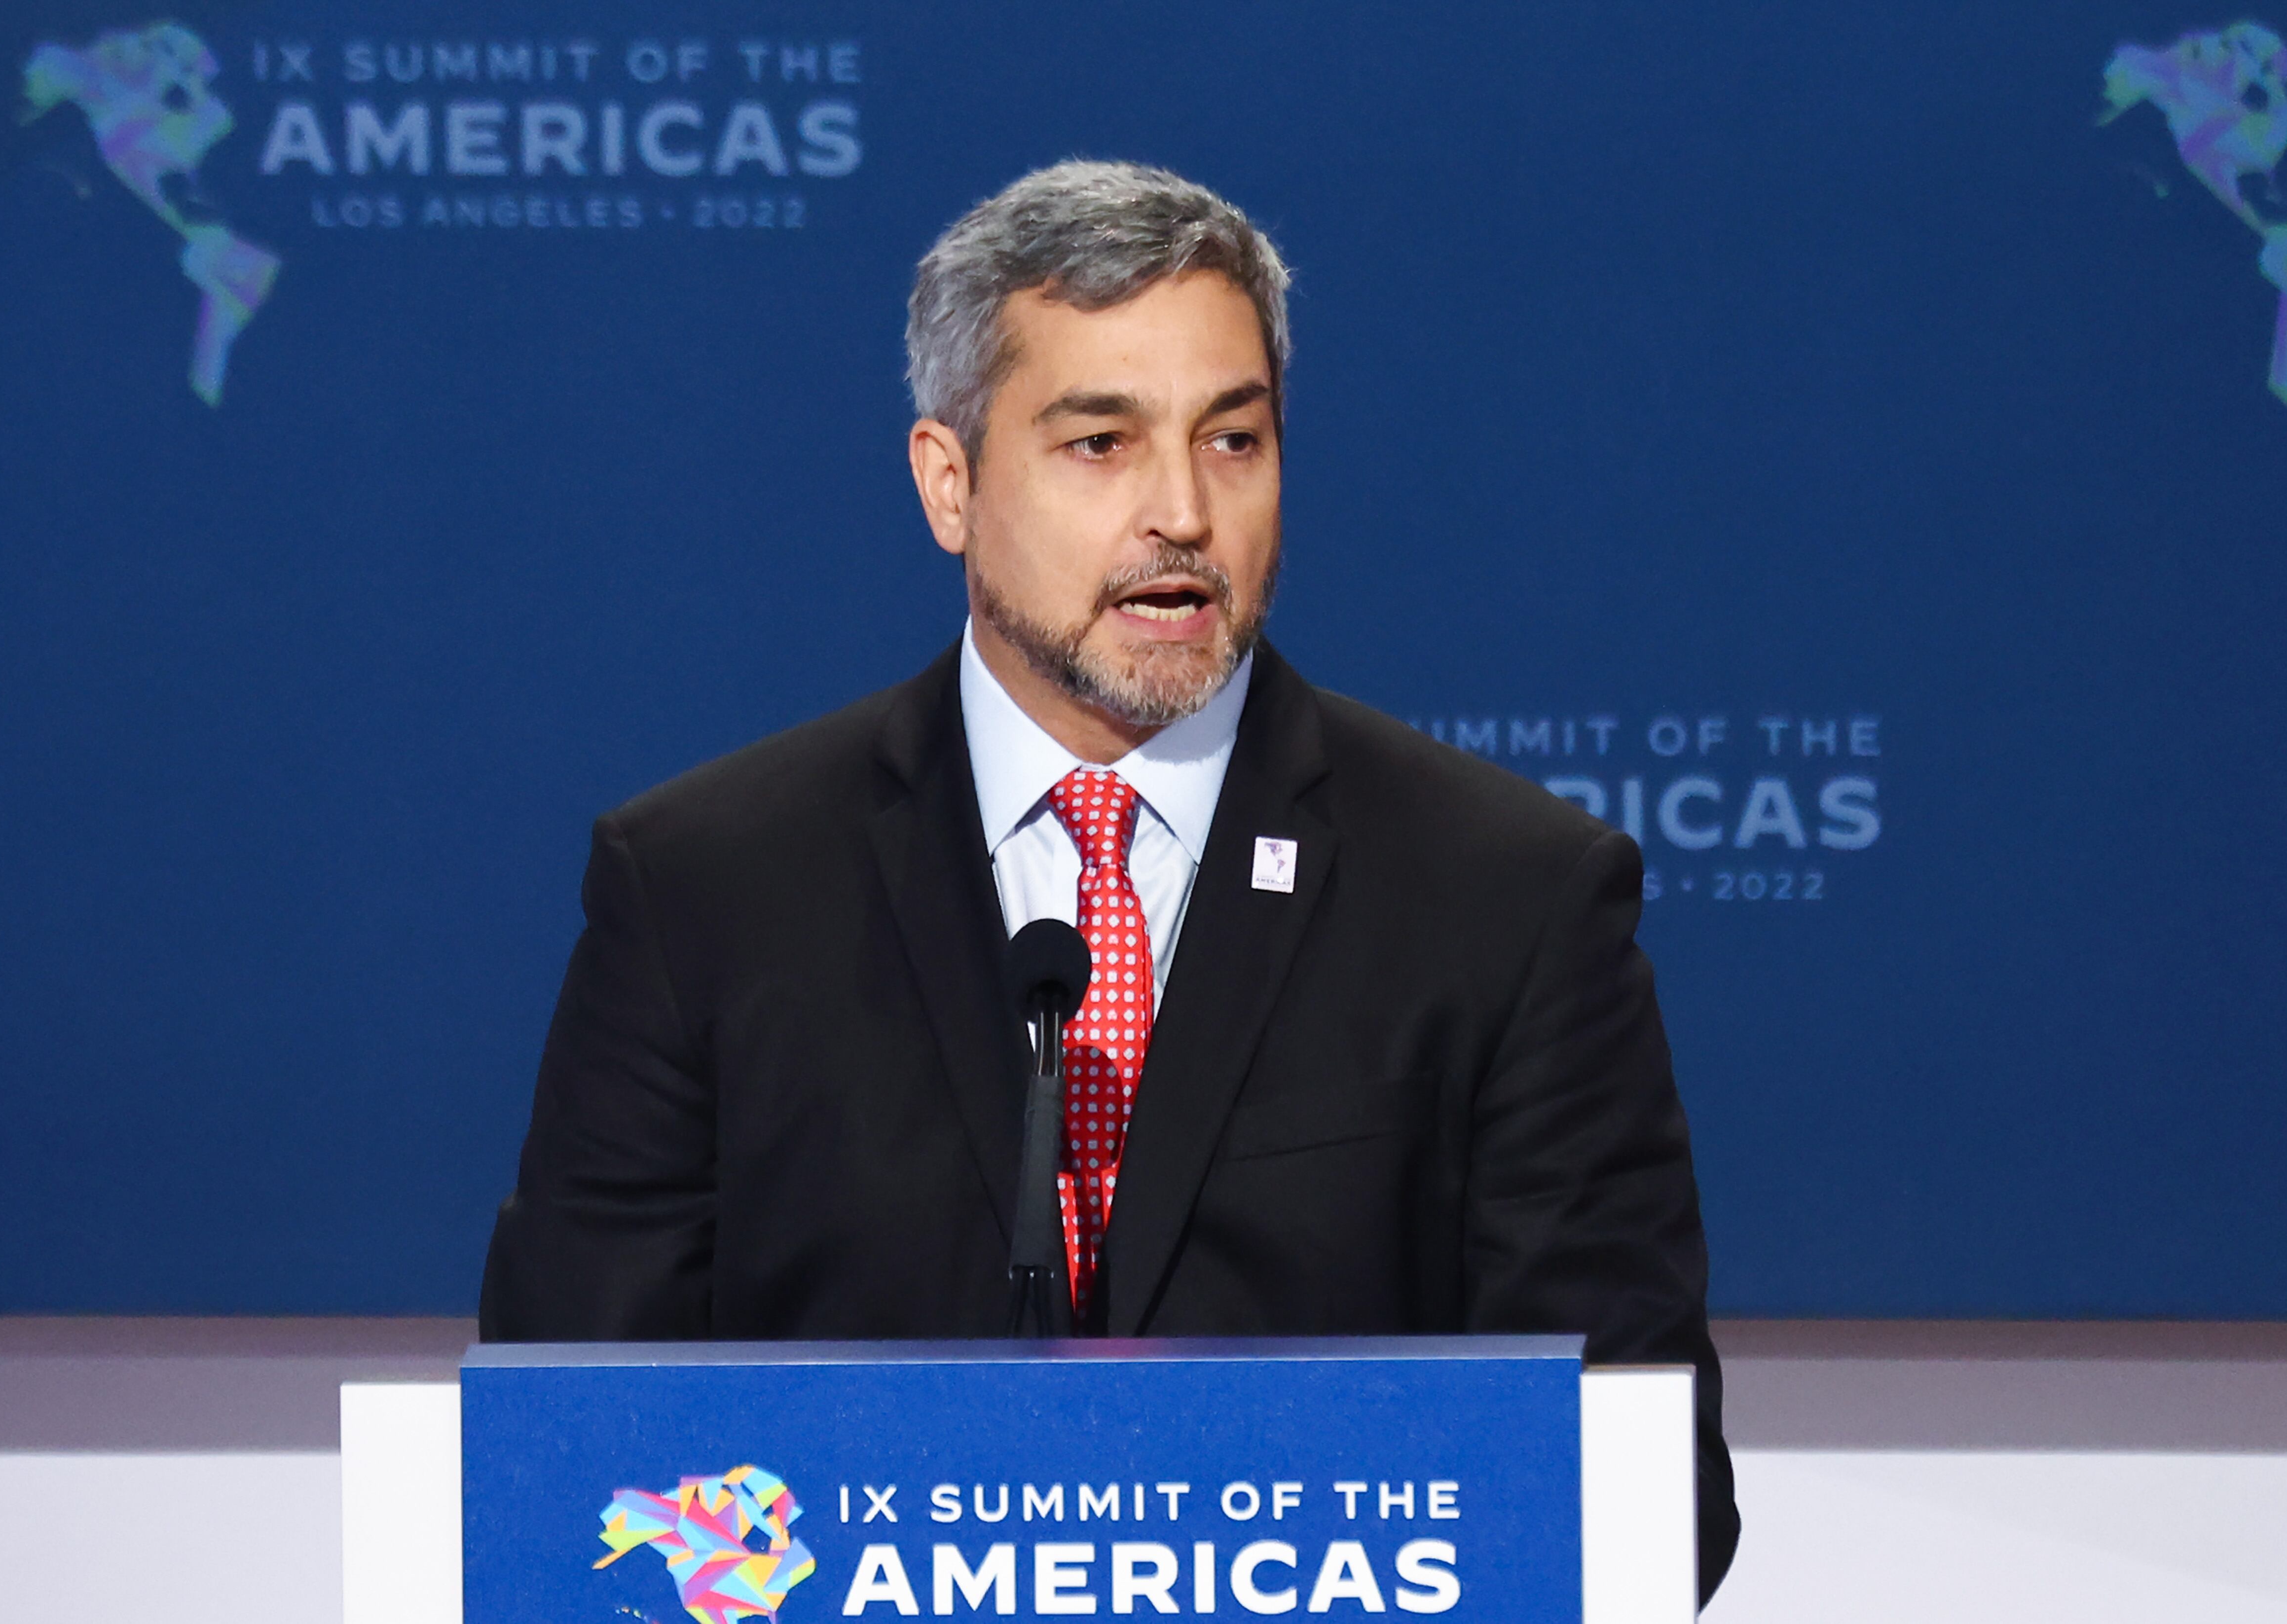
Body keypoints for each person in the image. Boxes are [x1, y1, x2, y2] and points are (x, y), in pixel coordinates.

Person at [480, 160, 1738, 1599]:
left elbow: (1639, 1501)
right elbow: (563, 1477)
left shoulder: (1506, 902)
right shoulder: (706, 894)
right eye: (1100, 444)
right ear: (949, 483)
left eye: (1234, 440)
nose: (1184, 513)